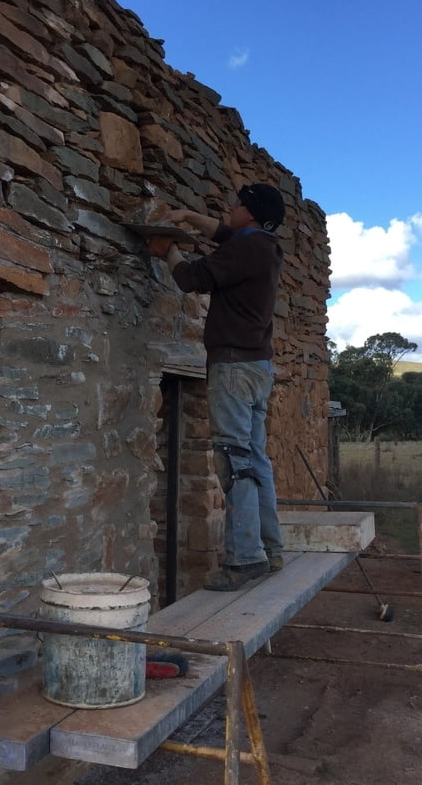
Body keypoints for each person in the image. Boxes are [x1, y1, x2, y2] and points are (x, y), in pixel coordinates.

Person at [147, 184, 286, 591]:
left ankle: (244, 560)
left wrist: (168, 249)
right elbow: (224, 233)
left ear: (252, 213)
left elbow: (192, 278)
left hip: (233, 368)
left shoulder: (246, 248)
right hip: (257, 367)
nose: (230, 207)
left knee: (233, 459)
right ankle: (270, 549)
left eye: (238, 204)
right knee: (255, 459)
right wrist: (189, 216)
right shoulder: (264, 247)